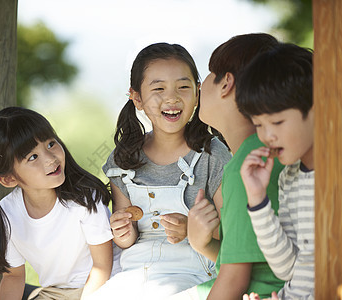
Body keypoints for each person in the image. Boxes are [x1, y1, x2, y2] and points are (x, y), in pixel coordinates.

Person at [90, 42, 232, 299]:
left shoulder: (212, 154)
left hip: (193, 272)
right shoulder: (123, 158)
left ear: (197, 93)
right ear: (137, 98)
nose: (172, 97)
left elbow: (229, 236)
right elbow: (127, 239)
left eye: (183, 87)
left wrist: (192, 229)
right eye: (159, 89)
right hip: (134, 274)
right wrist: (123, 232)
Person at [170, 33, 285, 300]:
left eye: (210, 74)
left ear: (227, 84)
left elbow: (235, 280)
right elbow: (252, 260)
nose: (201, 86)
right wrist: (204, 243)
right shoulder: (267, 151)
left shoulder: (247, 166)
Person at [0, 107, 121, 300]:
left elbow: (102, 267)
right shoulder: (7, 214)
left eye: (51, 144)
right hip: (57, 292)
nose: (51, 159)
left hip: (106, 285)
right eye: (33, 157)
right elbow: (14, 277)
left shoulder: (84, 199)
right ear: (8, 179)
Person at [238, 43, 314, 299]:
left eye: (277, 122)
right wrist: (257, 201)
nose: (267, 135)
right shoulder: (289, 178)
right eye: (258, 124)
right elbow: (288, 268)